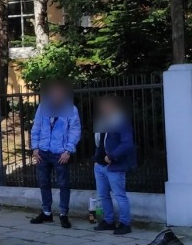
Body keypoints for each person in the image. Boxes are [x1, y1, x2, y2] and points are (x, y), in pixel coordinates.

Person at [30, 81, 81, 228]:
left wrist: (68, 151)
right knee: (43, 183)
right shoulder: (43, 107)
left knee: (63, 184)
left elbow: (75, 130)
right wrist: (35, 148)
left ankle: (64, 214)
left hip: (60, 154)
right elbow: (37, 127)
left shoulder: (71, 109)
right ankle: (46, 213)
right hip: (43, 152)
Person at [92, 95, 137, 235]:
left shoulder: (121, 121)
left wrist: (112, 156)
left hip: (114, 165)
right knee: (103, 195)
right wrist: (96, 158)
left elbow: (127, 144)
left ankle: (125, 223)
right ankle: (108, 220)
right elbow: (99, 141)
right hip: (100, 165)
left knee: (119, 195)